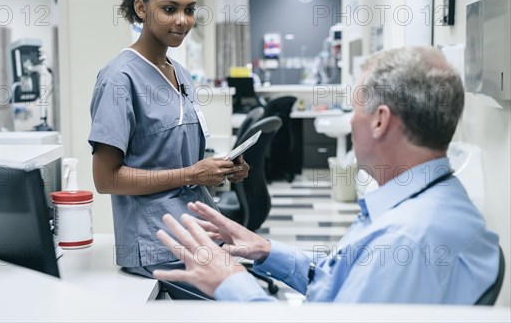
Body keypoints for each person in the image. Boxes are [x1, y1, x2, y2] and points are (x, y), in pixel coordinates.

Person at [152, 46, 501, 303]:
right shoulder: (431, 202)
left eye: (354, 108)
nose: (350, 121)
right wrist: (266, 250)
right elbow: (342, 279)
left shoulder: (405, 240)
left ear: (380, 120)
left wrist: (231, 281)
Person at [88, 0, 249, 298]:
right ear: (141, 9)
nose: (182, 20)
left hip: (199, 228)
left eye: (189, 10)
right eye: (169, 9)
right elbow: (106, 180)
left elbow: (174, 154)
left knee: (247, 291)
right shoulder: (120, 79)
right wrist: (191, 173)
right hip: (157, 243)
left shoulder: (180, 73)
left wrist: (220, 168)